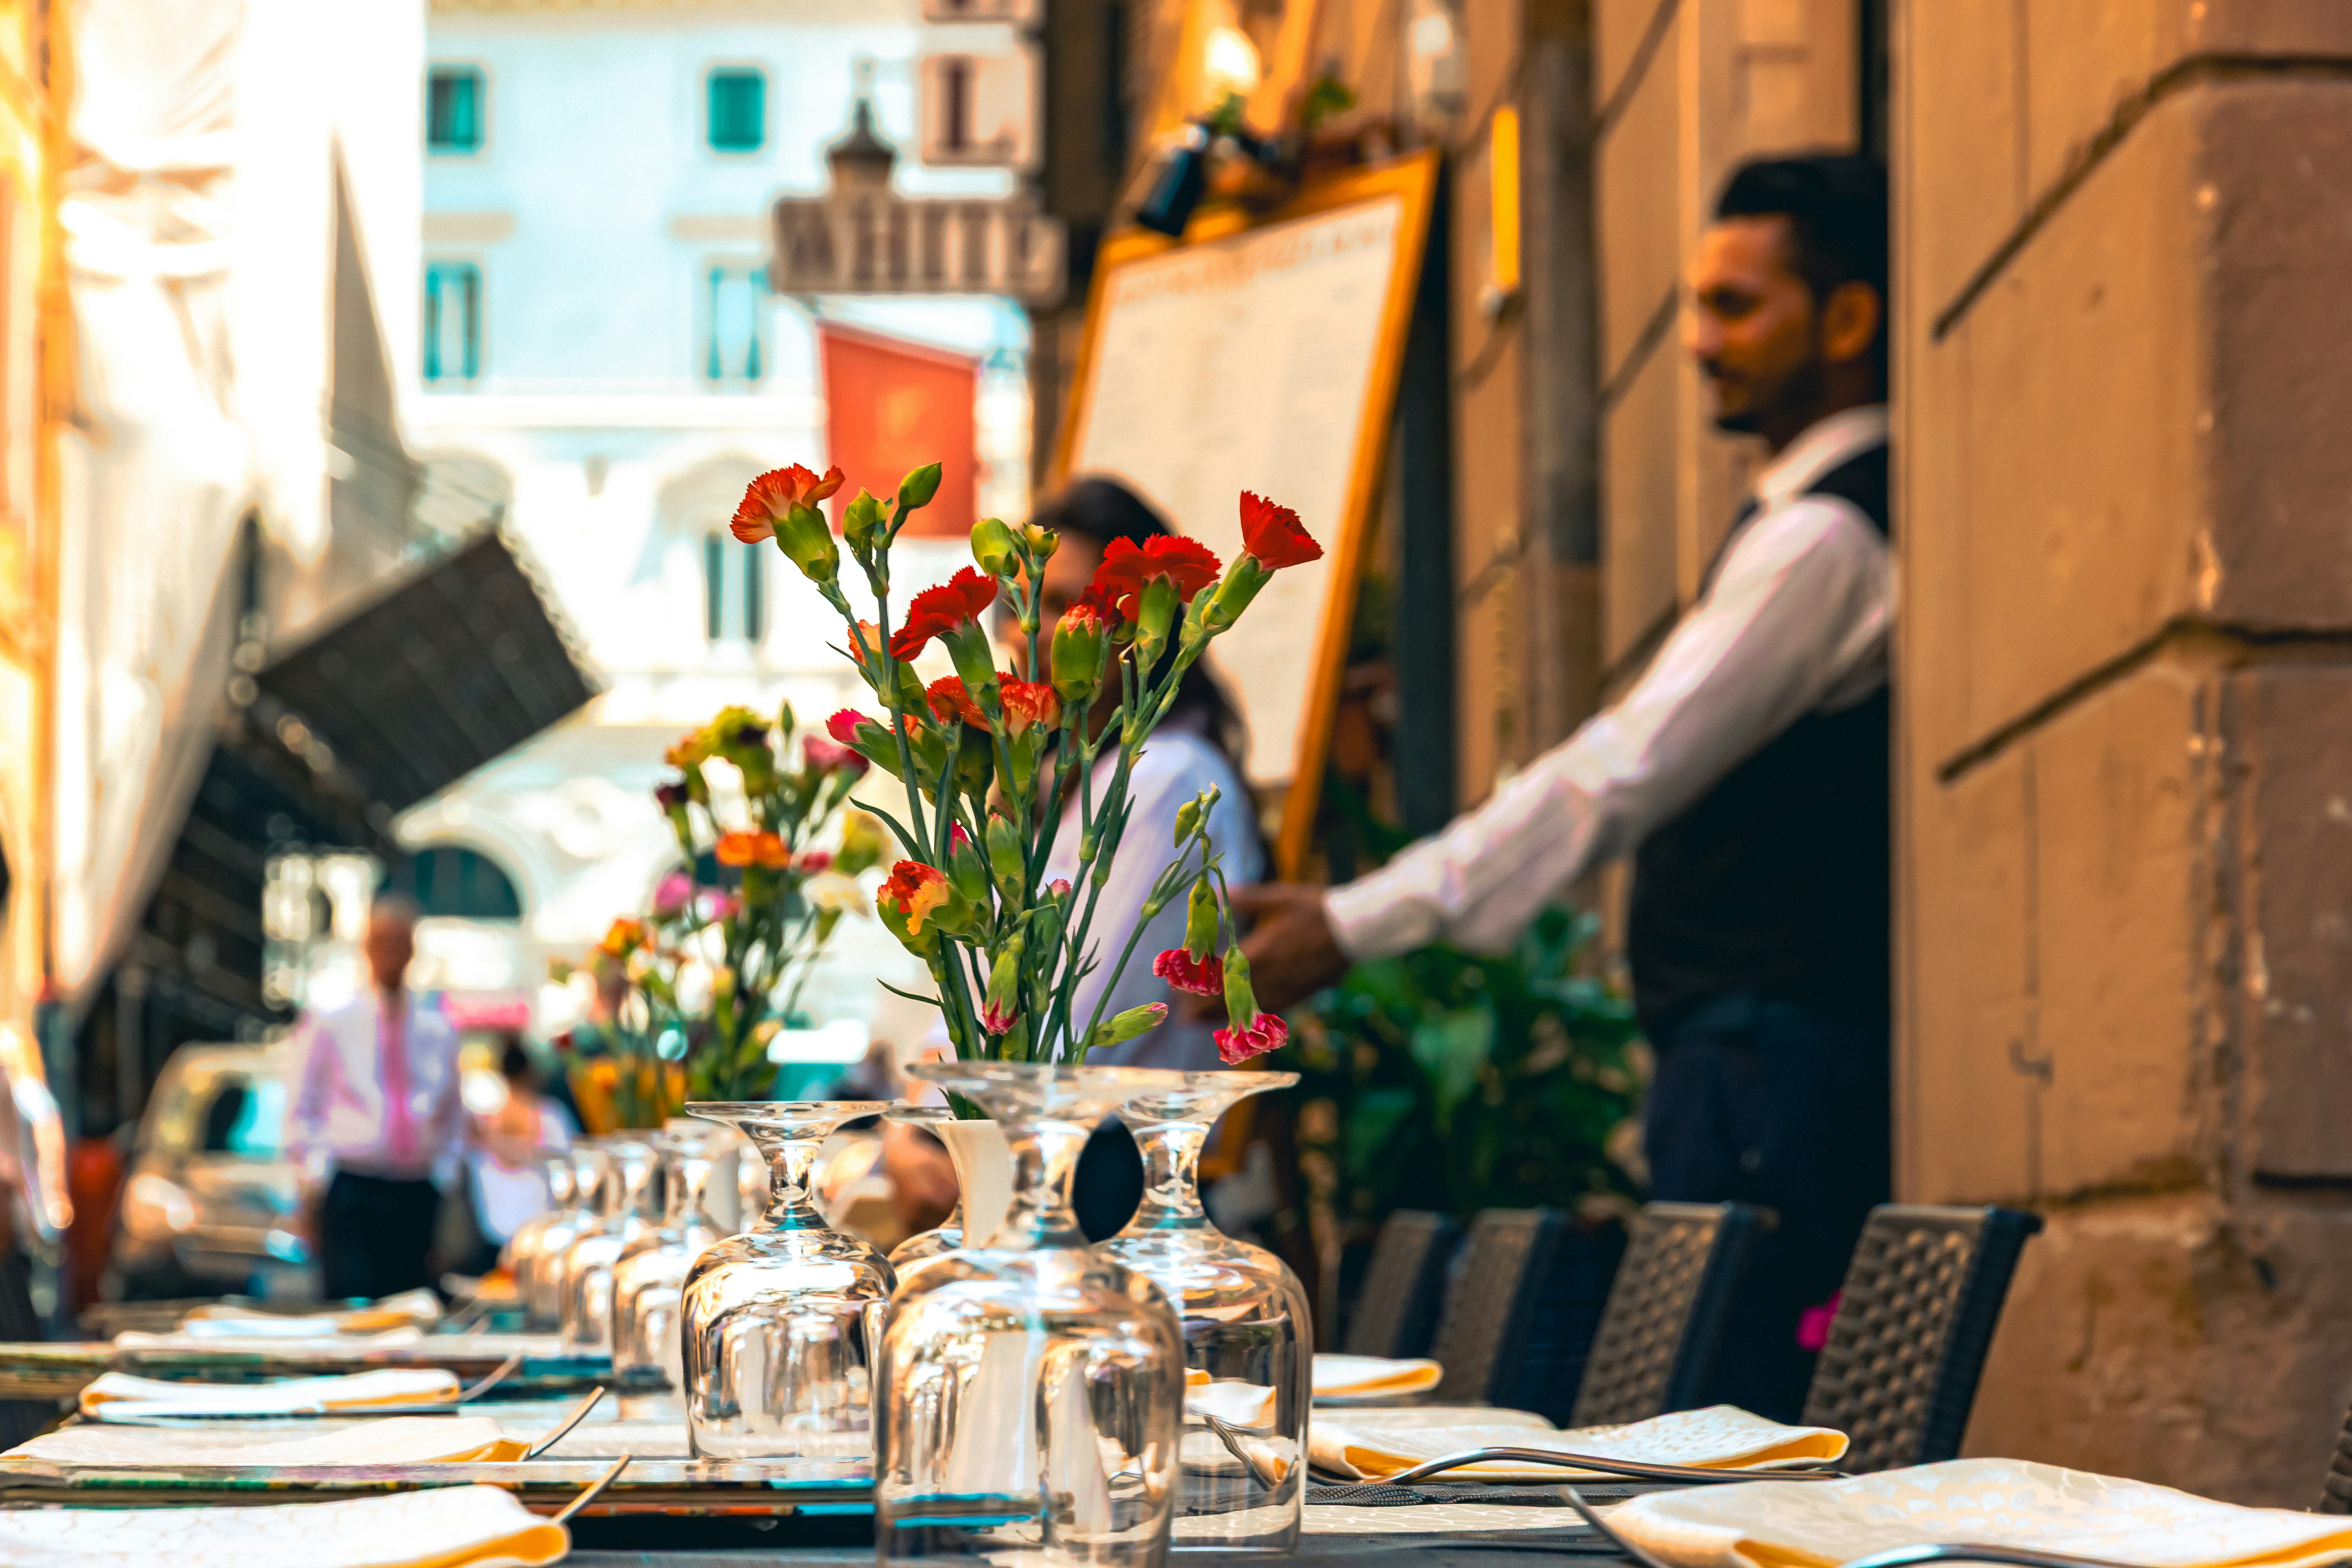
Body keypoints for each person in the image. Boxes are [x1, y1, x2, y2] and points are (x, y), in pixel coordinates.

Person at [1233, 154, 1891, 1420]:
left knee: (1751, 1432)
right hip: (1744, 1060)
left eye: (1735, 306)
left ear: (1848, 320)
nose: (1697, 340)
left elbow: (1613, 772)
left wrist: (1353, 918)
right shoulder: (1799, 522)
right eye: (1696, 305)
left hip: (1771, 1064)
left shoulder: (1823, 536)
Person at [288, 894, 465, 1301]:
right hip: (353, 1184)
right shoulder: (333, 1021)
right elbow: (302, 1104)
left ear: (412, 950)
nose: (391, 953)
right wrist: (315, 1175)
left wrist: (446, 1172)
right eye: (382, 942)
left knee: (409, 1303)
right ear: (366, 948)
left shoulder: (437, 1029)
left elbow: (454, 1112)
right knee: (351, 1303)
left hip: (416, 1189)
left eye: (400, 942)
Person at [466, 1035, 575, 1267]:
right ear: (532, 1074)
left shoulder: (481, 1125)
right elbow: (570, 1171)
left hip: (495, 1243)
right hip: (541, 1244)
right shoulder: (552, 1118)